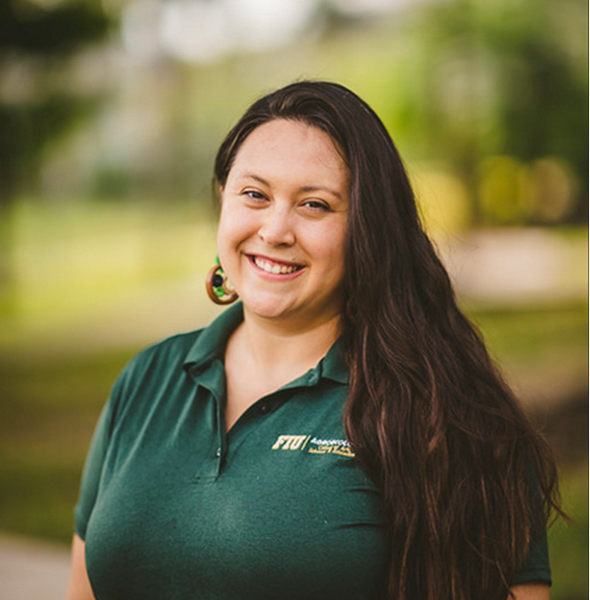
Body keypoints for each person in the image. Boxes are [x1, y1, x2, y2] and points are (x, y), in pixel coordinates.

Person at [65, 81, 562, 600]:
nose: (275, 231)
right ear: (223, 200)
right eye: (255, 195)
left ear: (368, 231)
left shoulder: (442, 409)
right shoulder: (147, 378)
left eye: (315, 205)